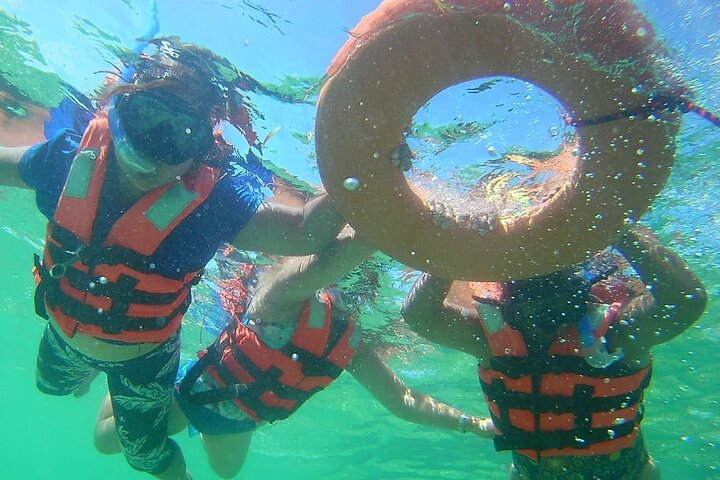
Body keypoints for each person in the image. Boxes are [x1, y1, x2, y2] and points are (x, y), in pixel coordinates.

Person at [0, 37, 347, 480]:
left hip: (144, 360)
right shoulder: (66, 160)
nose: (153, 152)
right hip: (63, 333)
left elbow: (308, 232)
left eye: (181, 135)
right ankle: (88, 370)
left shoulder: (211, 205)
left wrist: (364, 167)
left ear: (203, 149)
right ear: (116, 109)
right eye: (146, 117)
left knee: (145, 456)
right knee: (50, 387)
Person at [94, 230, 495, 478]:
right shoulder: (279, 299)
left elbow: (404, 400)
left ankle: (150, 392)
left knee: (225, 473)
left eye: (362, 293)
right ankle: (138, 373)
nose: (351, 296)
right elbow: (326, 263)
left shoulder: (351, 345)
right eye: (345, 285)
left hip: (239, 415)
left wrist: (474, 424)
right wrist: (381, 222)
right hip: (193, 392)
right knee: (108, 442)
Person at [400, 224, 707, 480]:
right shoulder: (492, 337)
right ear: (507, 300)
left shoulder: (616, 332)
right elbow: (418, 315)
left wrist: (618, 225)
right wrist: (455, 248)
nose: (541, 319)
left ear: (581, 291)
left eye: (557, 301)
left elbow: (685, 300)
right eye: (527, 306)